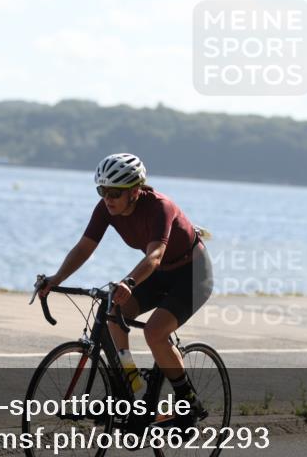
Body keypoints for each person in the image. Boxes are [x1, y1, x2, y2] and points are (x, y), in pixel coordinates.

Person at [39, 153, 213, 426]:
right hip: (158, 273)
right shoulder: (106, 209)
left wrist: (129, 282)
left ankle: (189, 402)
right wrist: (56, 278)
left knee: (155, 332)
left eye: (115, 193)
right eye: (102, 190)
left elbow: (155, 255)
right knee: (113, 312)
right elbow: (85, 247)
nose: (108, 198)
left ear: (134, 191)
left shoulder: (160, 207)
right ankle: (131, 389)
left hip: (191, 273)